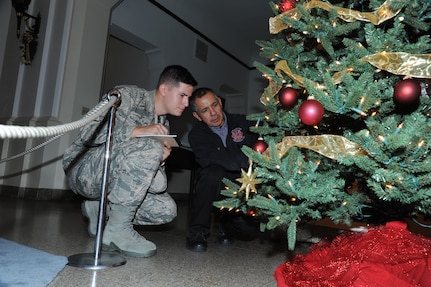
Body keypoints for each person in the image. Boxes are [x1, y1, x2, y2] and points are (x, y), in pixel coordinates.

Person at [63, 65, 197, 258]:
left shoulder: (164, 124)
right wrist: (138, 132)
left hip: (111, 179)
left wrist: (160, 160)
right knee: (151, 146)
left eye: (189, 98)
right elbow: (87, 133)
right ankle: (117, 229)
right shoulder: (128, 96)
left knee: (167, 210)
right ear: (164, 89)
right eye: (182, 95)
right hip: (84, 169)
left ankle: (99, 208)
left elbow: (156, 185)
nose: (186, 103)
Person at [186, 87, 259, 252]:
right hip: (214, 189)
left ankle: (226, 225)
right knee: (212, 171)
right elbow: (213, 159)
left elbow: (265, 139)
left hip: (243, 190)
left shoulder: (244, 123)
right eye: (205, 110)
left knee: (250, 230)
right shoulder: (196, 135)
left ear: (220, 101)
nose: (213, 113)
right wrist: (246, 160)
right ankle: (197, 232)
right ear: (197, 116)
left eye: (214, 105)